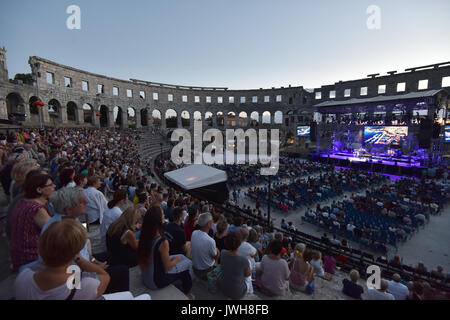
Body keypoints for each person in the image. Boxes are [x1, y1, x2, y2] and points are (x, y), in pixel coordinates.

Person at [13, 219, 110, 300]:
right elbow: (104, 275)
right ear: (76, 251)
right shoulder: (85, 285)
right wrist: (77, 256)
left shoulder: (24, 277)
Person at [137, 205, 193, 297]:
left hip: (146, 276)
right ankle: (186, 293)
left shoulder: (145, 234)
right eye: (162, 214)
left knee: (181, 256)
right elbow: (167, 266)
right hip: (156, 281)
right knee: (187, 264)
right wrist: (176, 260)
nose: (164, 216)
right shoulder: (162, 241)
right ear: (158, 220)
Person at [9, 173, 54, 272]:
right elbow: (54, 233)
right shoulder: (36, 209)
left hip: (20, 256)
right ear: (39, 190)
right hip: (33, 257)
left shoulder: (22, 201)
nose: (54, 187)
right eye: (50, 185)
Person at [219, 230, 252, 299]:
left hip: (223, 287)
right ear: (239, 243)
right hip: (238, 293)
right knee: (249, 274)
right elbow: (248, 275)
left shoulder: (222, 253)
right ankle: (250, 292)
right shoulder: (243, 260)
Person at [191, 212, 220, 281]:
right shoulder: (210, 241)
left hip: (195, 267)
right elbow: (215, 257)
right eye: (212, 221)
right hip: (205, 271)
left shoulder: (194, 233)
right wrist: (218, 251)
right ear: (208, 224)